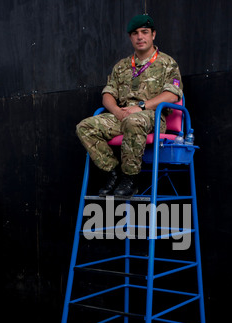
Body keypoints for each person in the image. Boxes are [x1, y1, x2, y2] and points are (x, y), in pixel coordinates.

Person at [76, 14, 183, 197]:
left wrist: (141, 107)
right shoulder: (122, 66)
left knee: (134, 121)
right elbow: (108, 95)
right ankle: (113, 172)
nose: (140, 37)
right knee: (85, 127)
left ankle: (130, 179)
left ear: (153, 35)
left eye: (144, 32)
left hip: (153, 116)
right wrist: (116, 111)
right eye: (135, 33)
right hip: (124, 115)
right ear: (130, 37)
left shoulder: (167, 63)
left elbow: (172, 95)